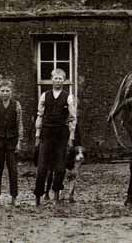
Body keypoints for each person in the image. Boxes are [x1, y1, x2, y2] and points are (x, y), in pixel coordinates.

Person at [34, 68, 77, 206]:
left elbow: (72, 118)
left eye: (60, 78)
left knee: (60, 168)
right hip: (46, 134)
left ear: (64, 81)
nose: (58, 81)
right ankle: (38, 196)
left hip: (61, 135)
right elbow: (40, 116)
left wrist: (71, 137)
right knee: (41, 168)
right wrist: (37, 135)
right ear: (51, 80)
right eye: (55, 78)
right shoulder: (44, 96)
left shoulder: (68, 97)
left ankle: (56, 194)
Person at [0, 75, 23, 206]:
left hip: (12, 140)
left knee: (13, 169)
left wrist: (19, 140)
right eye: (2, 91)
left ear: (11, 92)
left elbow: (20, 124)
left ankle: (14, 197)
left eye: (7, 90)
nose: (5, 93)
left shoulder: (16, 105)